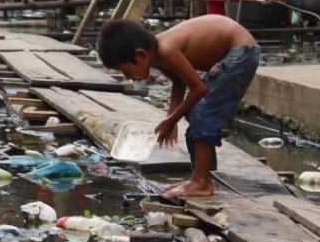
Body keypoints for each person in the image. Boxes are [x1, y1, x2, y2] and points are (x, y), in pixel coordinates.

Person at [98, 16, 261, 198]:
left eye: (126, 71)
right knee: (196, 112)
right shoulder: (157, 54)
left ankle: (201, 182)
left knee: (203, 113)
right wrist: (171, 118)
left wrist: (172, 120)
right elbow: (178, 81)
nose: (128, 77)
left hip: (242, 52)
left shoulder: (166, 49)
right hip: (236, 52)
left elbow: (199, 88)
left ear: (140, 55)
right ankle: (200, 176)